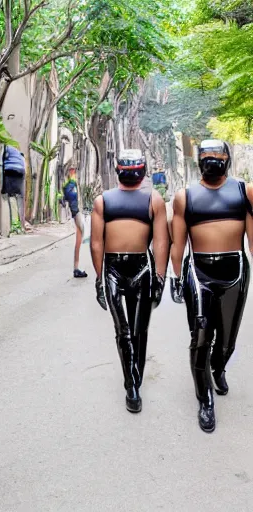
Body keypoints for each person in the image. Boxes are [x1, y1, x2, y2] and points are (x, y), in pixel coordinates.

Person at [170, 139, 252, 433]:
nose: (212, 161)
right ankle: (205, 400)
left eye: (218, 156)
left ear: (227, 159)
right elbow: (177, 243)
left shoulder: (245, 191)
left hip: (235, 271)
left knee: (227, 340)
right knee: (201, 337)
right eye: (207, 156)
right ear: (199, 160)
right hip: (198, 272)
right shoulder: (185, 197)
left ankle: (218, 367)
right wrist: (175, 277)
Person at [90, 150, 169, 413]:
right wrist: (100, 278)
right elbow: (97, 242)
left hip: (142, 270)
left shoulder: (154, 200)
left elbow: (160, 240)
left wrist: (159, 276)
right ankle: (131, 385)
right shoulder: (103, 202)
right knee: (123, 330)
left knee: (139, 330)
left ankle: (137, 374)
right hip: (113, 269)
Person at [62, 167, 88, 278]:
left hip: (77, 212)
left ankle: (77, 268)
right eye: (72, 171)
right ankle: (79, 268)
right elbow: (71, 197)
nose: (74, 173)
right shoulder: (70, 185)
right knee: (85, 238)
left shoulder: (71, 184)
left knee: (79, 241)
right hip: (76, 213)